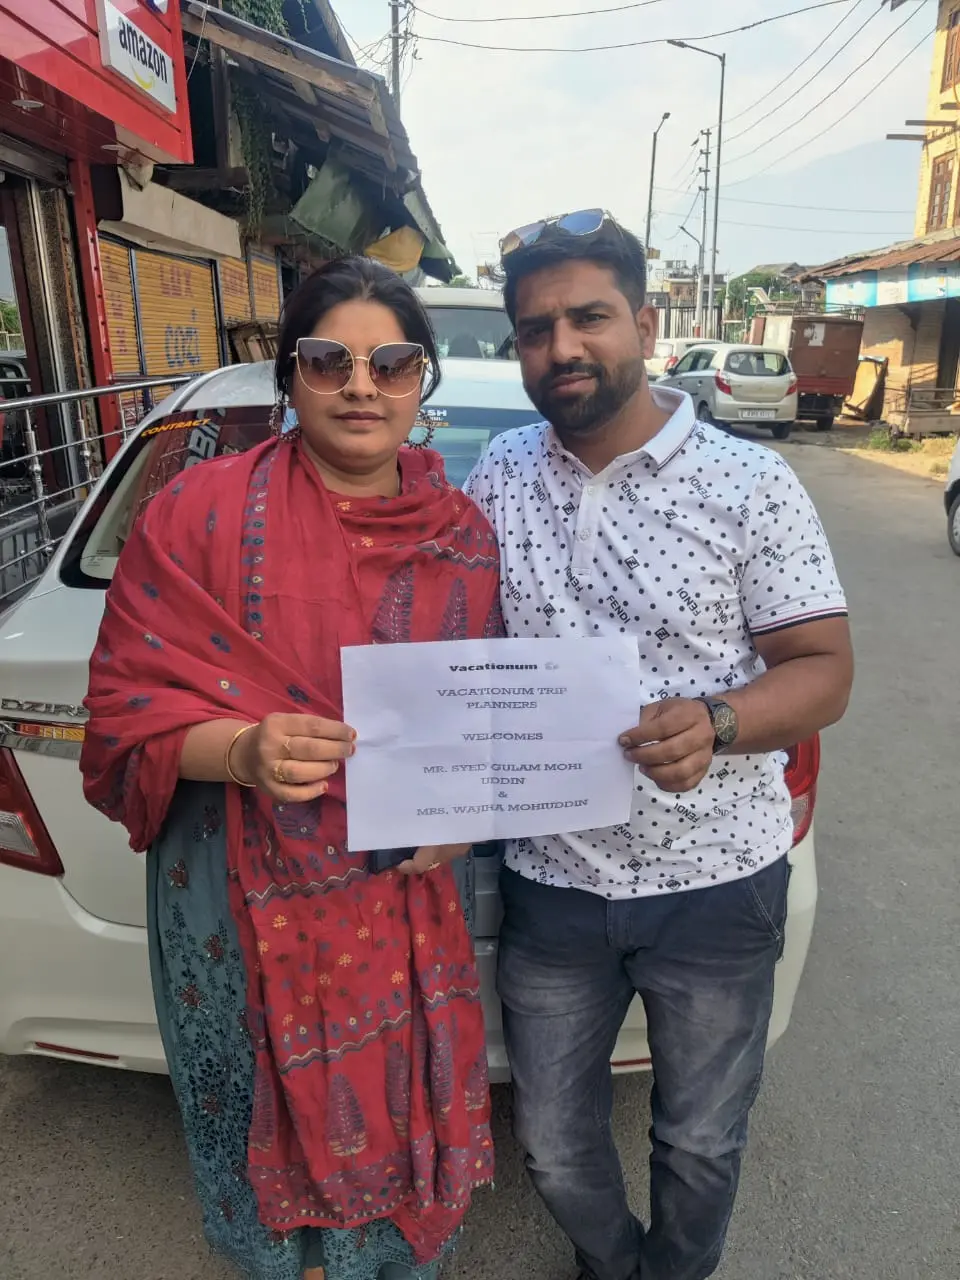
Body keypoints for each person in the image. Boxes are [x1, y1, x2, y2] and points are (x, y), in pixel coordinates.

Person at [80, 257, 500, 1280]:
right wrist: (243, 749)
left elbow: (485, 729)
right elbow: (121, 718)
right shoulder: (197, 514)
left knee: (392, 1133)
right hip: (233, 891)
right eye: (329, 359)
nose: (363, 384)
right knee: (258, 1126)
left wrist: (463, 812)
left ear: (421, 381)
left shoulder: (466, 540)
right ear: (290, 374)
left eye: (393, 361)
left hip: (396, 897)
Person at [465, 211, 854, 1280]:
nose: (562, 348)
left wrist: (721, 722)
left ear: (644, 321)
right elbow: (439, 637)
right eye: (535, 329)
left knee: (699, 1138)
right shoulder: (497, 473)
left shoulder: (749, 483)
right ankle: (613, 1261)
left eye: (588, 317)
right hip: (553, 881)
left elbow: (824, 667)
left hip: (719, 884)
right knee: (549, 1140)